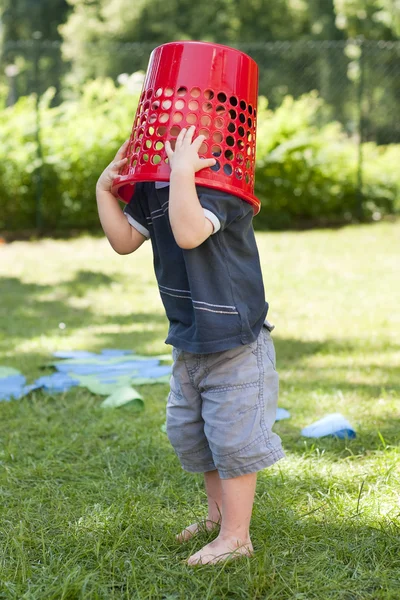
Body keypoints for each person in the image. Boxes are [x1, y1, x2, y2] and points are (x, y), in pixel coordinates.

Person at [96, 126, 285, 565]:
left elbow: (188, 232)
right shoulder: (156, 186)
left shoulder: (223, 181)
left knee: (233, 440)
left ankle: (237, 537)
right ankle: (217, 517)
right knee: (193, 434)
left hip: (235, 342)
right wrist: (105, 189)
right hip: (189, 340)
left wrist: (183, 171)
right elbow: (124, 242)